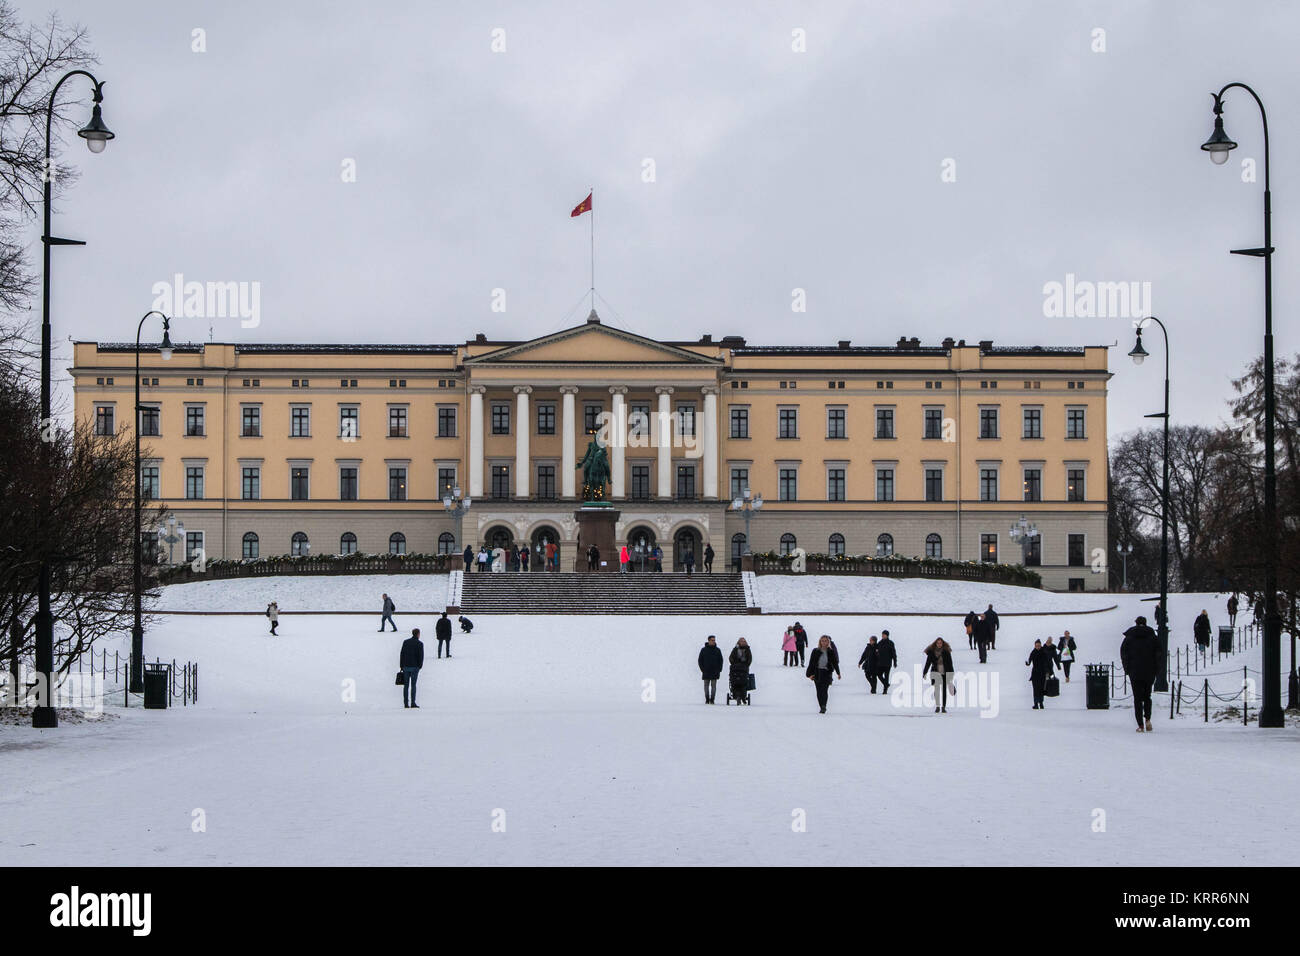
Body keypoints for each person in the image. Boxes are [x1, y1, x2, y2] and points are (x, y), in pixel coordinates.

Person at [1121, 615, 1161, 733]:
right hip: (1149, 671)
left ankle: (1140, 725)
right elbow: (1158, 653)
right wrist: (1156, 669)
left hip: (1134, 671)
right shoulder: (1152, 637)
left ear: (1136, 623)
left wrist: (1127, 668)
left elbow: (1124, 653)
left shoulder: (1129, 637)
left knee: (1137, 698)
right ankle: (1148, 719)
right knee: (1147, 696)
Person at [806, 635, 841, 713]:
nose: (824, 642)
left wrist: (838, 673)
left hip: (826, 673)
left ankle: (824, 706)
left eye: (825, 641)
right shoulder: (815, 651)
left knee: (824, 690)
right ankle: (821, 706)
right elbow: (811, 663)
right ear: (820, 642)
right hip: (817, 673)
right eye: (822, 641)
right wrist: (809, 674)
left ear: (828, 642)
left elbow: (835, 663)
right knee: (819, 691)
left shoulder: (830, 651)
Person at [922, 638, 955, 713]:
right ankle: (937, 706)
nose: (939, 644)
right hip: (935, 672)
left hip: (945, 672)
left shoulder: (946, 651)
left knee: (944, 690)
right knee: (936, 690)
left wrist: (951, 673)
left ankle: (943, 707)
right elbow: (928, 663)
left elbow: (950, 663)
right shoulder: (931, 652)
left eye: (940, 643)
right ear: (935, 644)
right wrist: (925, 672)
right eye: (938, 643)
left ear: (942, 644)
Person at [1025, 639, 1058, 709]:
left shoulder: (1044, 652)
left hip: (1043, 673)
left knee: (1041, 689)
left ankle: (1041, 703)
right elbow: (1029, 660)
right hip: (1035, 674)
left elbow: (1049, 663)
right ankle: (1036, 703)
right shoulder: (1033, 652)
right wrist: (1027, 663)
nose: (1038, 647)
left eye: (1039, 646)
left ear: (1040, 645)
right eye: (1036, 646)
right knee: (1035, 689)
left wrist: (1051, 673)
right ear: (1034, 646)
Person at [399, 628, 424, 708]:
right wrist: (420, 665)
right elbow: (421, 656)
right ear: (418, 634)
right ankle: (413, 702)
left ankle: (406, 703)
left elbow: (402, 654)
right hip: (415, 666)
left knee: (406, 686)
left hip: (406, 666)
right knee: (413, 685)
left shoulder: (406, 642)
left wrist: (401, 665)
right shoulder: (420, 644)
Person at [698, 635, 723, 704]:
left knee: (713, 686)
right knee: (706, 686)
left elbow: (721, 660)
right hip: (706, 671)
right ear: (708, 641)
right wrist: (702, 669)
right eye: (712, 640)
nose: (713, 641)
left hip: (715, 671)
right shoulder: (703, 650)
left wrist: (719, 669)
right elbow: (700, 660)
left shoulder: (717, 650)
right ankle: (707, 699)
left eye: (714, 640)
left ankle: (712, 699)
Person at [728, 638, 753, 703]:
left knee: (744, 683)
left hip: (744, 669)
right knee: (734, 683)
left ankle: (743, 696)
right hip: (735, 669)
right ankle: (735, 695)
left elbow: (749, 659)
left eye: (744, 641)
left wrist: (746, 665)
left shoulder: (747, 650)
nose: (743, 642)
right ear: (739, 642)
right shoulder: (735, 649)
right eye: (742, 641)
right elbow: (731, 658)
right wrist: (734, 664)